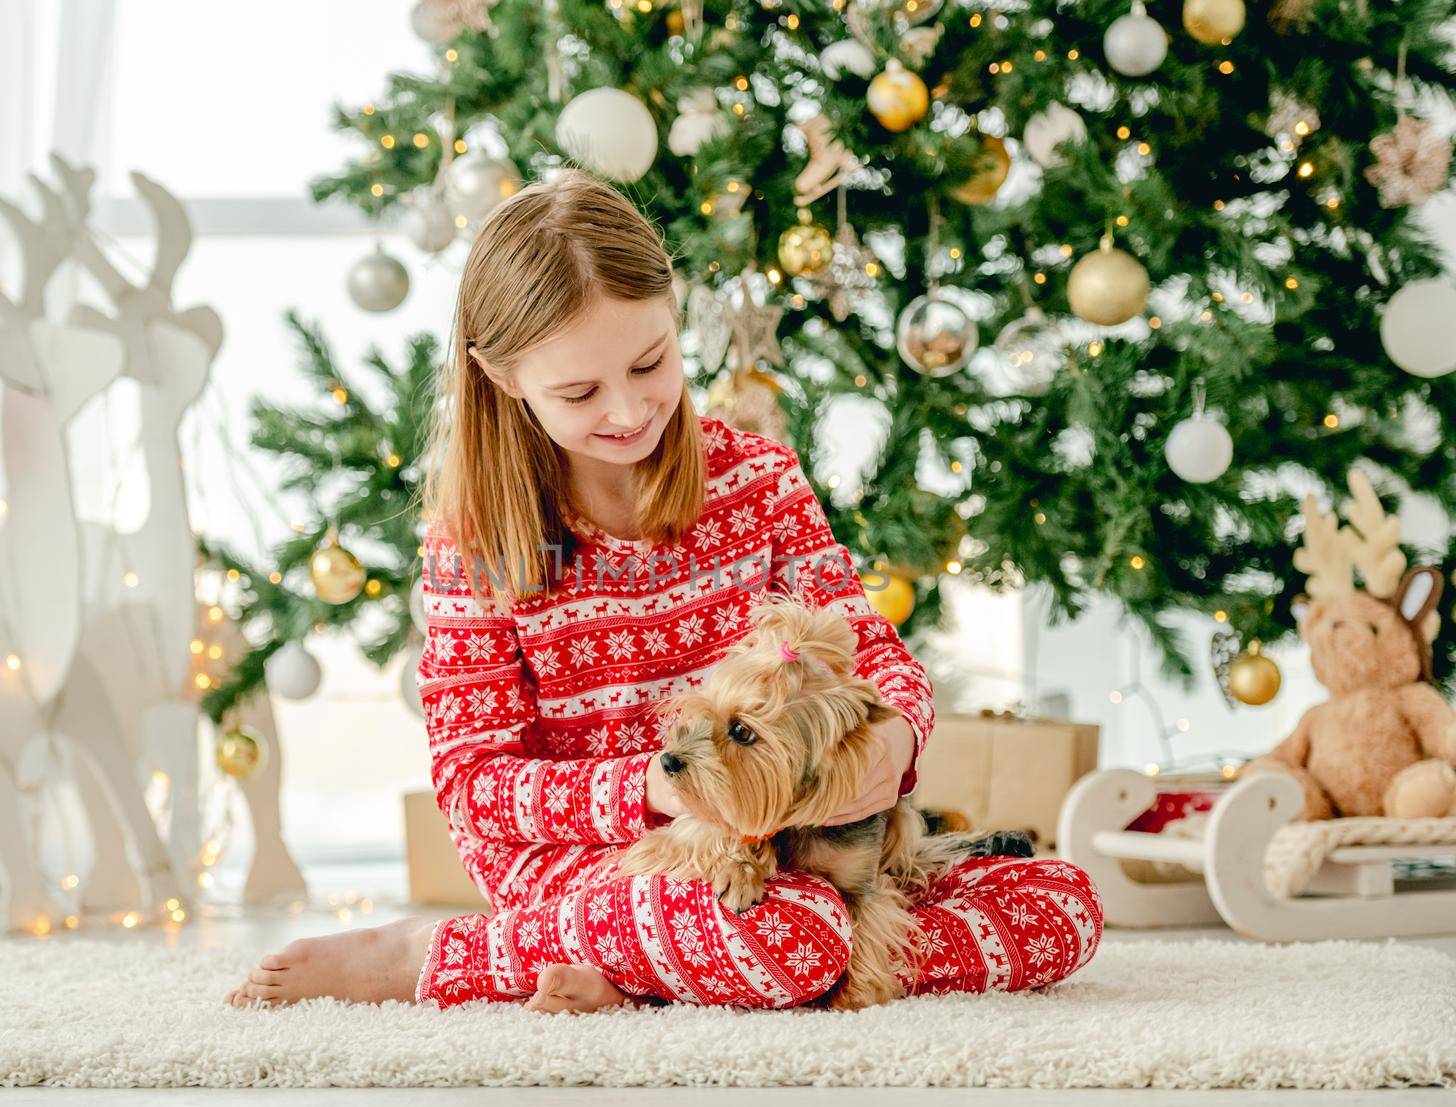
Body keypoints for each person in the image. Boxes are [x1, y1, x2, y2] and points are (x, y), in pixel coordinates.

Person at [226, 169, 1101, 1013]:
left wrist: (893, 739)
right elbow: (474, 785)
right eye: (578, 391)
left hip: (785, 848)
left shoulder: (757, 481)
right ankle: (432, 955)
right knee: (793, 938)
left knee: (1061, 904)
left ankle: (649, 968)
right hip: (596, 861)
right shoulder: (476, 546)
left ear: (675, 317)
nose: (628, 410)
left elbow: (871, 654)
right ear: (503, 378)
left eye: (650, 363)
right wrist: (657, 790)